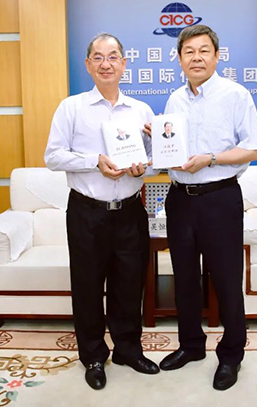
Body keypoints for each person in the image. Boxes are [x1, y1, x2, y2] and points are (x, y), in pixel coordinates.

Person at [44, 32, 159, 391]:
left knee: (130, 284)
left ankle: (128, 350)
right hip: (87, 213)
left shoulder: (140, 110)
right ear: (88, 64)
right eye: (98, 57)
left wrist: (143, 169)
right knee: (88, 286)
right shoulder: (71, 108)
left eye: (112, 57)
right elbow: (53, 157)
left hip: (130, 212)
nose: (105, 64)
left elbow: (155, 160)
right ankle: (93, 356)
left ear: (124, 64)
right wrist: (95, 161)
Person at [158, 25, 257, 390]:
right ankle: (191, 345)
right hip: (179, 199)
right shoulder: (175, 100)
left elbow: (256, 148)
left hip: (219, 198)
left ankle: (232, 354)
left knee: (226, 279)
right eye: (189, 51)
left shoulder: (235, 95)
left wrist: (211, 159)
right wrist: (158, 146)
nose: (197, 58)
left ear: (217, 56)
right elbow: (173, 151)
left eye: (204, 51)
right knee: (184, 277)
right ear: (179, 59)